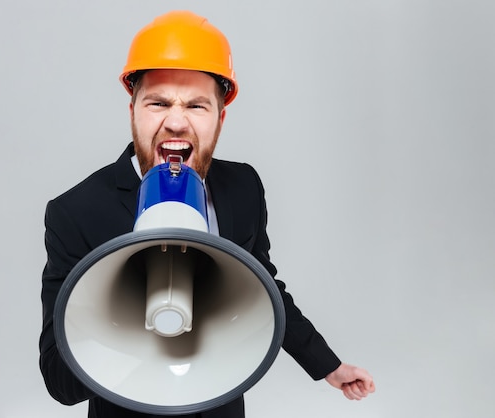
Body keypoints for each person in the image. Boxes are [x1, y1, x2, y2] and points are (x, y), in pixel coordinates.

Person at [39, 10, 375, 418]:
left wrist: (327, 366)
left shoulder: (244, 188)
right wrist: (131, 327)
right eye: (158, 103)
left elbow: (263, 286)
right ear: (133, 112)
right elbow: (59, 381)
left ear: (220, 118)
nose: (176, 122)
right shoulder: (75, 212)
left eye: (197, 106)